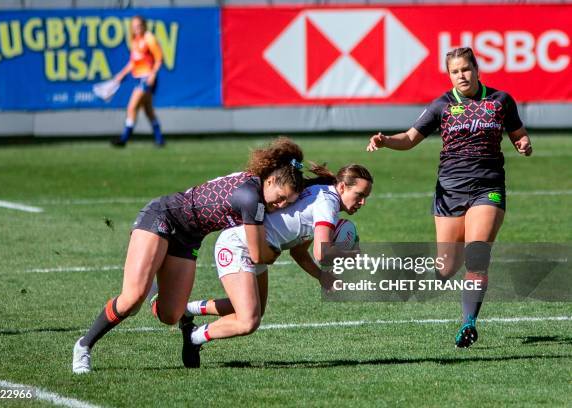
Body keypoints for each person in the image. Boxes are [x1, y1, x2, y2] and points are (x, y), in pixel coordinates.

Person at [72, 137, 306, 374]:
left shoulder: (260, 188)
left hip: (189, 239)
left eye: (288, 201)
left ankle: (155, 289)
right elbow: (258, 255)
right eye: (281, 196)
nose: (282, 204)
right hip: (162, 217)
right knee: (132, 299)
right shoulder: (251, 198)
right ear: (272, 179)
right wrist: (276, 251)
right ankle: (83, 346)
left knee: (170, 315)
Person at [367, 47, 532, 348]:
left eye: (465, 69)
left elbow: (518, 132)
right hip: (450, 191)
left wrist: (523, 143)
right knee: (445, 268)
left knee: (477, 256)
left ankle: (468, 323)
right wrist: (386, 140)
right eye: (455, 71)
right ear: (449, 75)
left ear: (476, 69)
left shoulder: (500, 101)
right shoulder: (441, 105)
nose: (461, 75)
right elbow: (409, 138)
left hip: (488, 187)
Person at [174, 164, 373, 368]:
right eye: (359, 194)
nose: (363, 202)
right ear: (341, 187)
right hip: (239, 246)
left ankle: (187, 310)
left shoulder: (323, 196)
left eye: (366, 196)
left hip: (256, 249)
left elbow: (299, 253)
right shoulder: (327, 204)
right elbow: (321, 253)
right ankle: (194, 337)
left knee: (253, 309)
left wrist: (323, 277)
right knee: (248, 321)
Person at [111, 15, 164, 147]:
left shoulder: (149, 38)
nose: (137, 29)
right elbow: (133, 62)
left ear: (144, 25)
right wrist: (122, 74)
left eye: (139, 26)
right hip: (138, 77)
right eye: (134, 27)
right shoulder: (135, 40)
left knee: (132, 107)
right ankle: (160, 140)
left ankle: (124, 139)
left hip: (147, 78)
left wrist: (153, 74)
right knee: (148, 111)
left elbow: (159, 58)